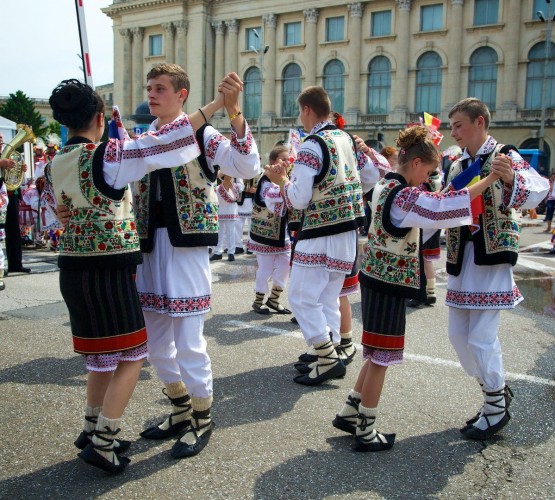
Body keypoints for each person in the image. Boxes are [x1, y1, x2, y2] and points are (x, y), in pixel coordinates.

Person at [44, 76, 235, 474]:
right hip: (109, 269)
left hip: (72, 269)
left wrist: (67, 214)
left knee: (100, 357)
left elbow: (57, 212)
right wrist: (217, 104)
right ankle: (105, 439)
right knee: (133, 353)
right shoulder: (109, 156)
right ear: (100, 118)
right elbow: (165, 142)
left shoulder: (54, 163)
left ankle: (92, 428)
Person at [332, 125, 502, 452]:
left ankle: (351, 411)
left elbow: (438, 200)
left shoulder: (387, 184)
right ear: (416, 163)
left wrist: (464, 182)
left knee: (375, 352)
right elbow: (443, 207)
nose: (428, 178)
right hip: (388, 283)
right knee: (382, 357)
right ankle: (365, 429)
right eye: (428, 171)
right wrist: (491, 178)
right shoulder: (405, 195)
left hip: (376, 277)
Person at [133, 63, 259, 459]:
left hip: (185, 248)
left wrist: (234, 111)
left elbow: (247, 166)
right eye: (150, 88)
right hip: (148, 248)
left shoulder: (203, 134)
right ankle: (180, 408)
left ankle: (202, 418)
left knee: (188, 340)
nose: (152, 94)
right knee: (155, 344)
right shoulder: (145, 136)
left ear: (181, 94)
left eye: (160, 88)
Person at [446, 98, 549, 440]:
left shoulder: (505, 155)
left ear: (479, 122)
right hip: (462, 256)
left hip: (491, 254)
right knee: (458, 336)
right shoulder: (457, 164)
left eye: (458, 125)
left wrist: (511, 179)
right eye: (452, 126)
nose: (453, 132)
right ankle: (495, 391)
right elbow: (446, 200)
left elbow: (539, 189)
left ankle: (495, 406)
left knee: (481, 337)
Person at [264, 86, 380, 386]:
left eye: (299, 111)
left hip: (320, 231)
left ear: (306, 109)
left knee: (302, 297)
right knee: (328, 296)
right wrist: (344, 194)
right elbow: (370, 177)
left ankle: (326, 357)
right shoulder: (346, 139)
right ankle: (329, 350)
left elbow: (300, 198)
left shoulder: (311, 144)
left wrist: (282, 180)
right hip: (348, 231)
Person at [248, 144, 292, 315]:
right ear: (273, 161)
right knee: (265, 268)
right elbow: (275, 196)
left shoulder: (284, 178)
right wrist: (286, 182)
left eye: (289, 159)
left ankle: (274, 299)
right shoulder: (265, 178)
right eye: (283, 159)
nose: (287, 162)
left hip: (282, 232)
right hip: (265, 233)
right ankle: (258, 301)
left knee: (286, 265)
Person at [0, 133, 30, 275]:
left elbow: (14, 176)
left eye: (1, 137)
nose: (1, 140)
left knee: (14, 230)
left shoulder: (9, 154)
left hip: (11, 195)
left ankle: (16, 264)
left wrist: (21, 169)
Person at [210, 174, 244, 262]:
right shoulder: (218, 170)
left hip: (230, 206)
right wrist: (222, 185)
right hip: (219, 204)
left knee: (231, 231)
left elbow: (241, 186)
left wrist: (229, 185)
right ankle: (217, 252)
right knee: (219, 231)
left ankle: (231, 252)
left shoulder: (235, 172)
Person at [235, 177, 256, 253]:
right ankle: (238, 246)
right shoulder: (238, 174)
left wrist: (255, 190)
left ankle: (250, 245)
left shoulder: (258, 174)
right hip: (240, 201)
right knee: (237, 225)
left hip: (252, 202)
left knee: (251, 226)